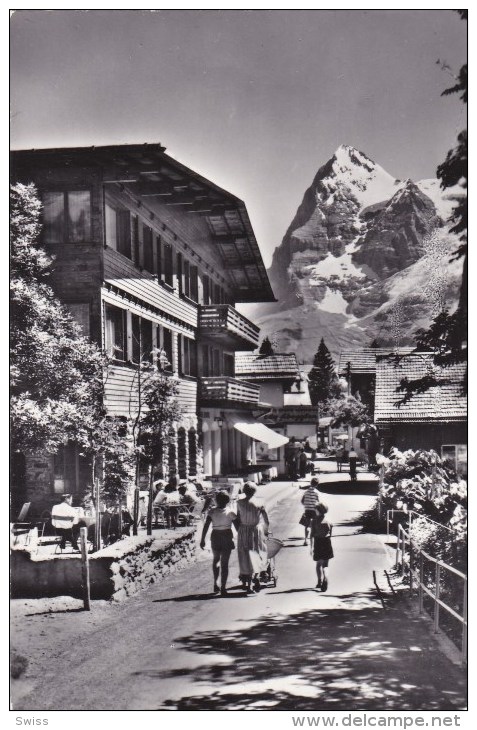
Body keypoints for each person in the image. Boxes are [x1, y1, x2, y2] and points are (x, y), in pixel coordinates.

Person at [200, 491, 238, 596]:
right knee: (224, 563)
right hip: (227, 536)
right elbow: (238, 528)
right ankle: (223, 587)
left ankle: (215, 582)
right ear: (228, 501)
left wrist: (202, 539)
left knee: (216, 560)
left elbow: (206, 526)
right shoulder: (231, 512)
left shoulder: (212, 512)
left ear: (216, 500)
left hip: (215, 536)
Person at [236, 482, 270, 594]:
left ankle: (247, 581)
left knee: (245, 555)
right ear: (255, 491)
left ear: (244, 491)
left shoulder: (239, 502)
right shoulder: (260, 502)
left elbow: (237, 519)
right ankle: (257, 576)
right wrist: (266, 531)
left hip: (243, 530)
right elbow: (266, 520)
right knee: (257, 553)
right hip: (256, 530)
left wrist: (239, 530)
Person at [310, 502, 333, 591]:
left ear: (318, 511)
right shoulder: (328, 520)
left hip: (318, 542)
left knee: (318, 564)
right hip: (327, 542)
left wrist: (311, 547)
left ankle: (319, 582)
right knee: (326, 565)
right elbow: (330, 532)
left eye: (315, 509)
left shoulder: (314, 521)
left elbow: (311, 535)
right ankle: (326, 578)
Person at [300, 477, 321, 546]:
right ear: (317, 485)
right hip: (314, 511)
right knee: (314, 525)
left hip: (307, 510)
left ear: (310, 483)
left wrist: (306, 505)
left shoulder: (306, 492)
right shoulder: (316, 493)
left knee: (307, 526)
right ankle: (314, 540)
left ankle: (305, 540)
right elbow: (318, 503)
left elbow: (302, 501)